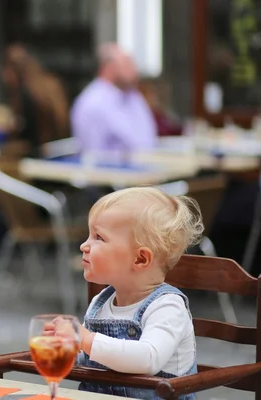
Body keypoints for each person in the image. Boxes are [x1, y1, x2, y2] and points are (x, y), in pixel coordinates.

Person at [47, 186, 202, 399]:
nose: (84, 245)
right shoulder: (100, 304)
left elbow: (147, 359)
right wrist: (66, 350)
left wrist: (86, 339)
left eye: (98, 237)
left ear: (140, 259)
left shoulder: (167, 307)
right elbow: (94, 359)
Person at [70, 43, 157, 154]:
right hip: (114, 170)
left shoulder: (133, 96)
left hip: (149, 166)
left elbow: (146, 142)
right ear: (108, 67)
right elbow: (93, 156)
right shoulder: (92, 103)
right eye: (127, 64)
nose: (135, 70)